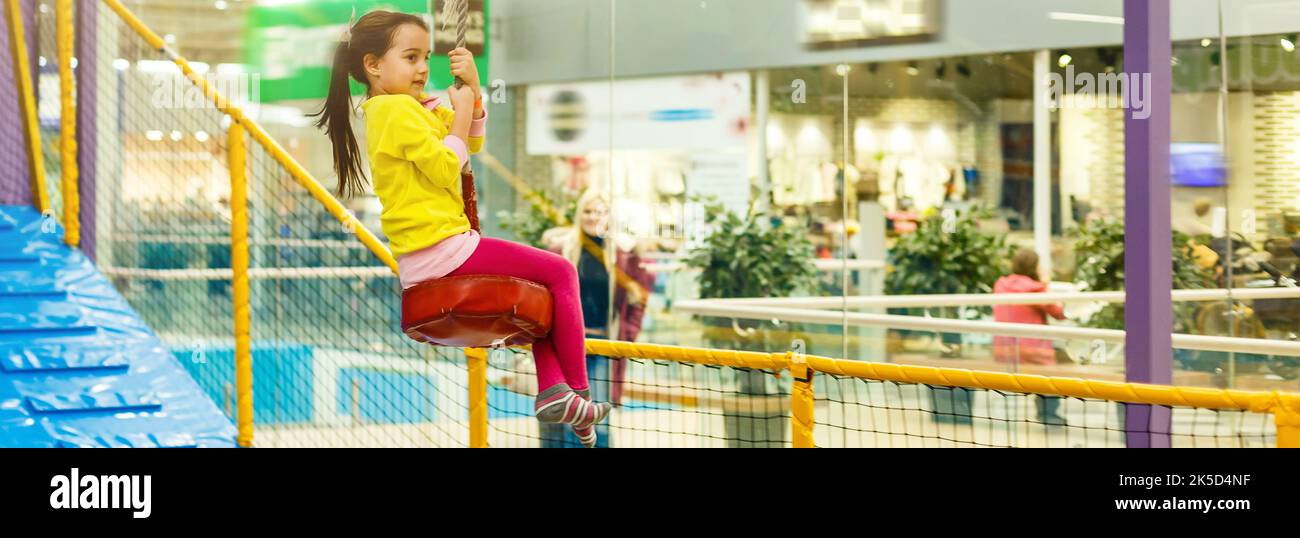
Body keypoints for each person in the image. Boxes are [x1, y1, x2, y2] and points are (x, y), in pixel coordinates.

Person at [311, 10, 610, 447]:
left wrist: (472, 97)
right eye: (410, 57)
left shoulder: (404, 109)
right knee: (562, 273)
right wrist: (464, 107)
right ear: (373, 66)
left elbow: (469, 143)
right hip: (442, 247)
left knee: (543, 304)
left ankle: (554, 392)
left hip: (436, 249)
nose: (421, 69)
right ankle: (579, 393)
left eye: (425, 58)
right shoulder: (392, 110)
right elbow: (446, 166)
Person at [537, 190, 654, 448]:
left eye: (600, 211)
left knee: (597, 415)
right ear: (580, 215)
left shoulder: (624, 254)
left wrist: (629, 333)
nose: (594, 217)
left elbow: (639, 297)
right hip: (567, 345)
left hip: (604, 345)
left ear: (610, 217)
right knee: (568, 415)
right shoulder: (561, 250)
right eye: (588, 211)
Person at [992, 249, 1068, 426]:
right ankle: (1048, 414)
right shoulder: (1036, 289)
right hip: (1033, 350)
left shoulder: (1000, 284)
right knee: (1050, 379)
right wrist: (1046, 285)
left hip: (1003, 347)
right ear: (1034, 266)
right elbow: (1058, 313)